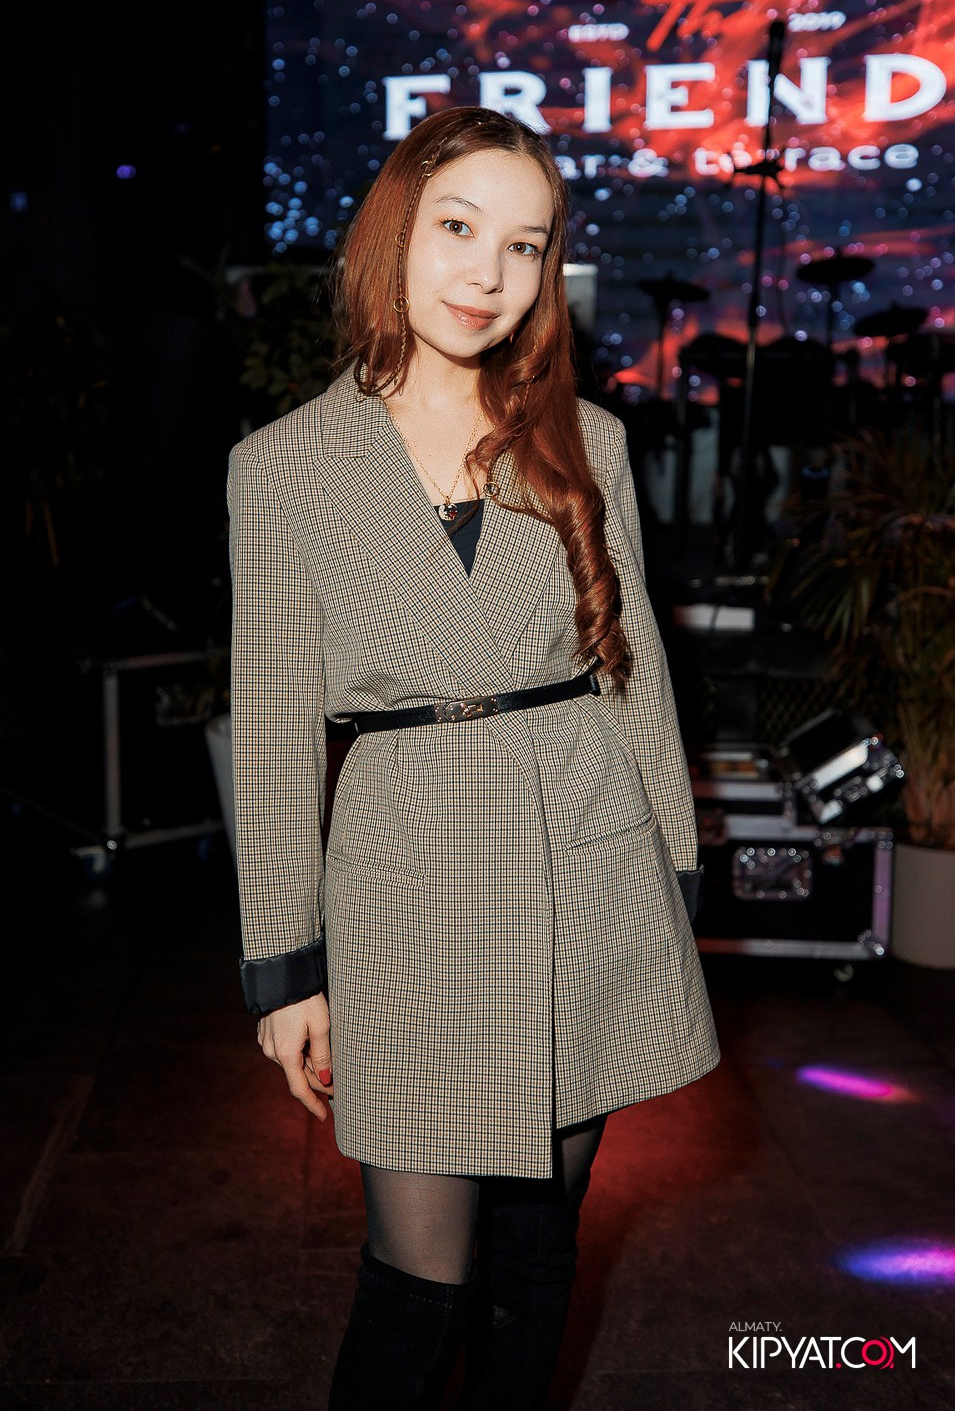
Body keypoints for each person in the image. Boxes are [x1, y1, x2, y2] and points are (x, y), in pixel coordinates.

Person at [227, 106, 720, 1409]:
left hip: (588, 857)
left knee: (537, 1250)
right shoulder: (280, 470)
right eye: (458, 227)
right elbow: (272, 731)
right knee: (418, 1276)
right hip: (408, 876)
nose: (487, 272)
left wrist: (672, 874)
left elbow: (632, 669)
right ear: (393, 230)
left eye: (524, 245)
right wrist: (285, 965)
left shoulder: (587, 439)